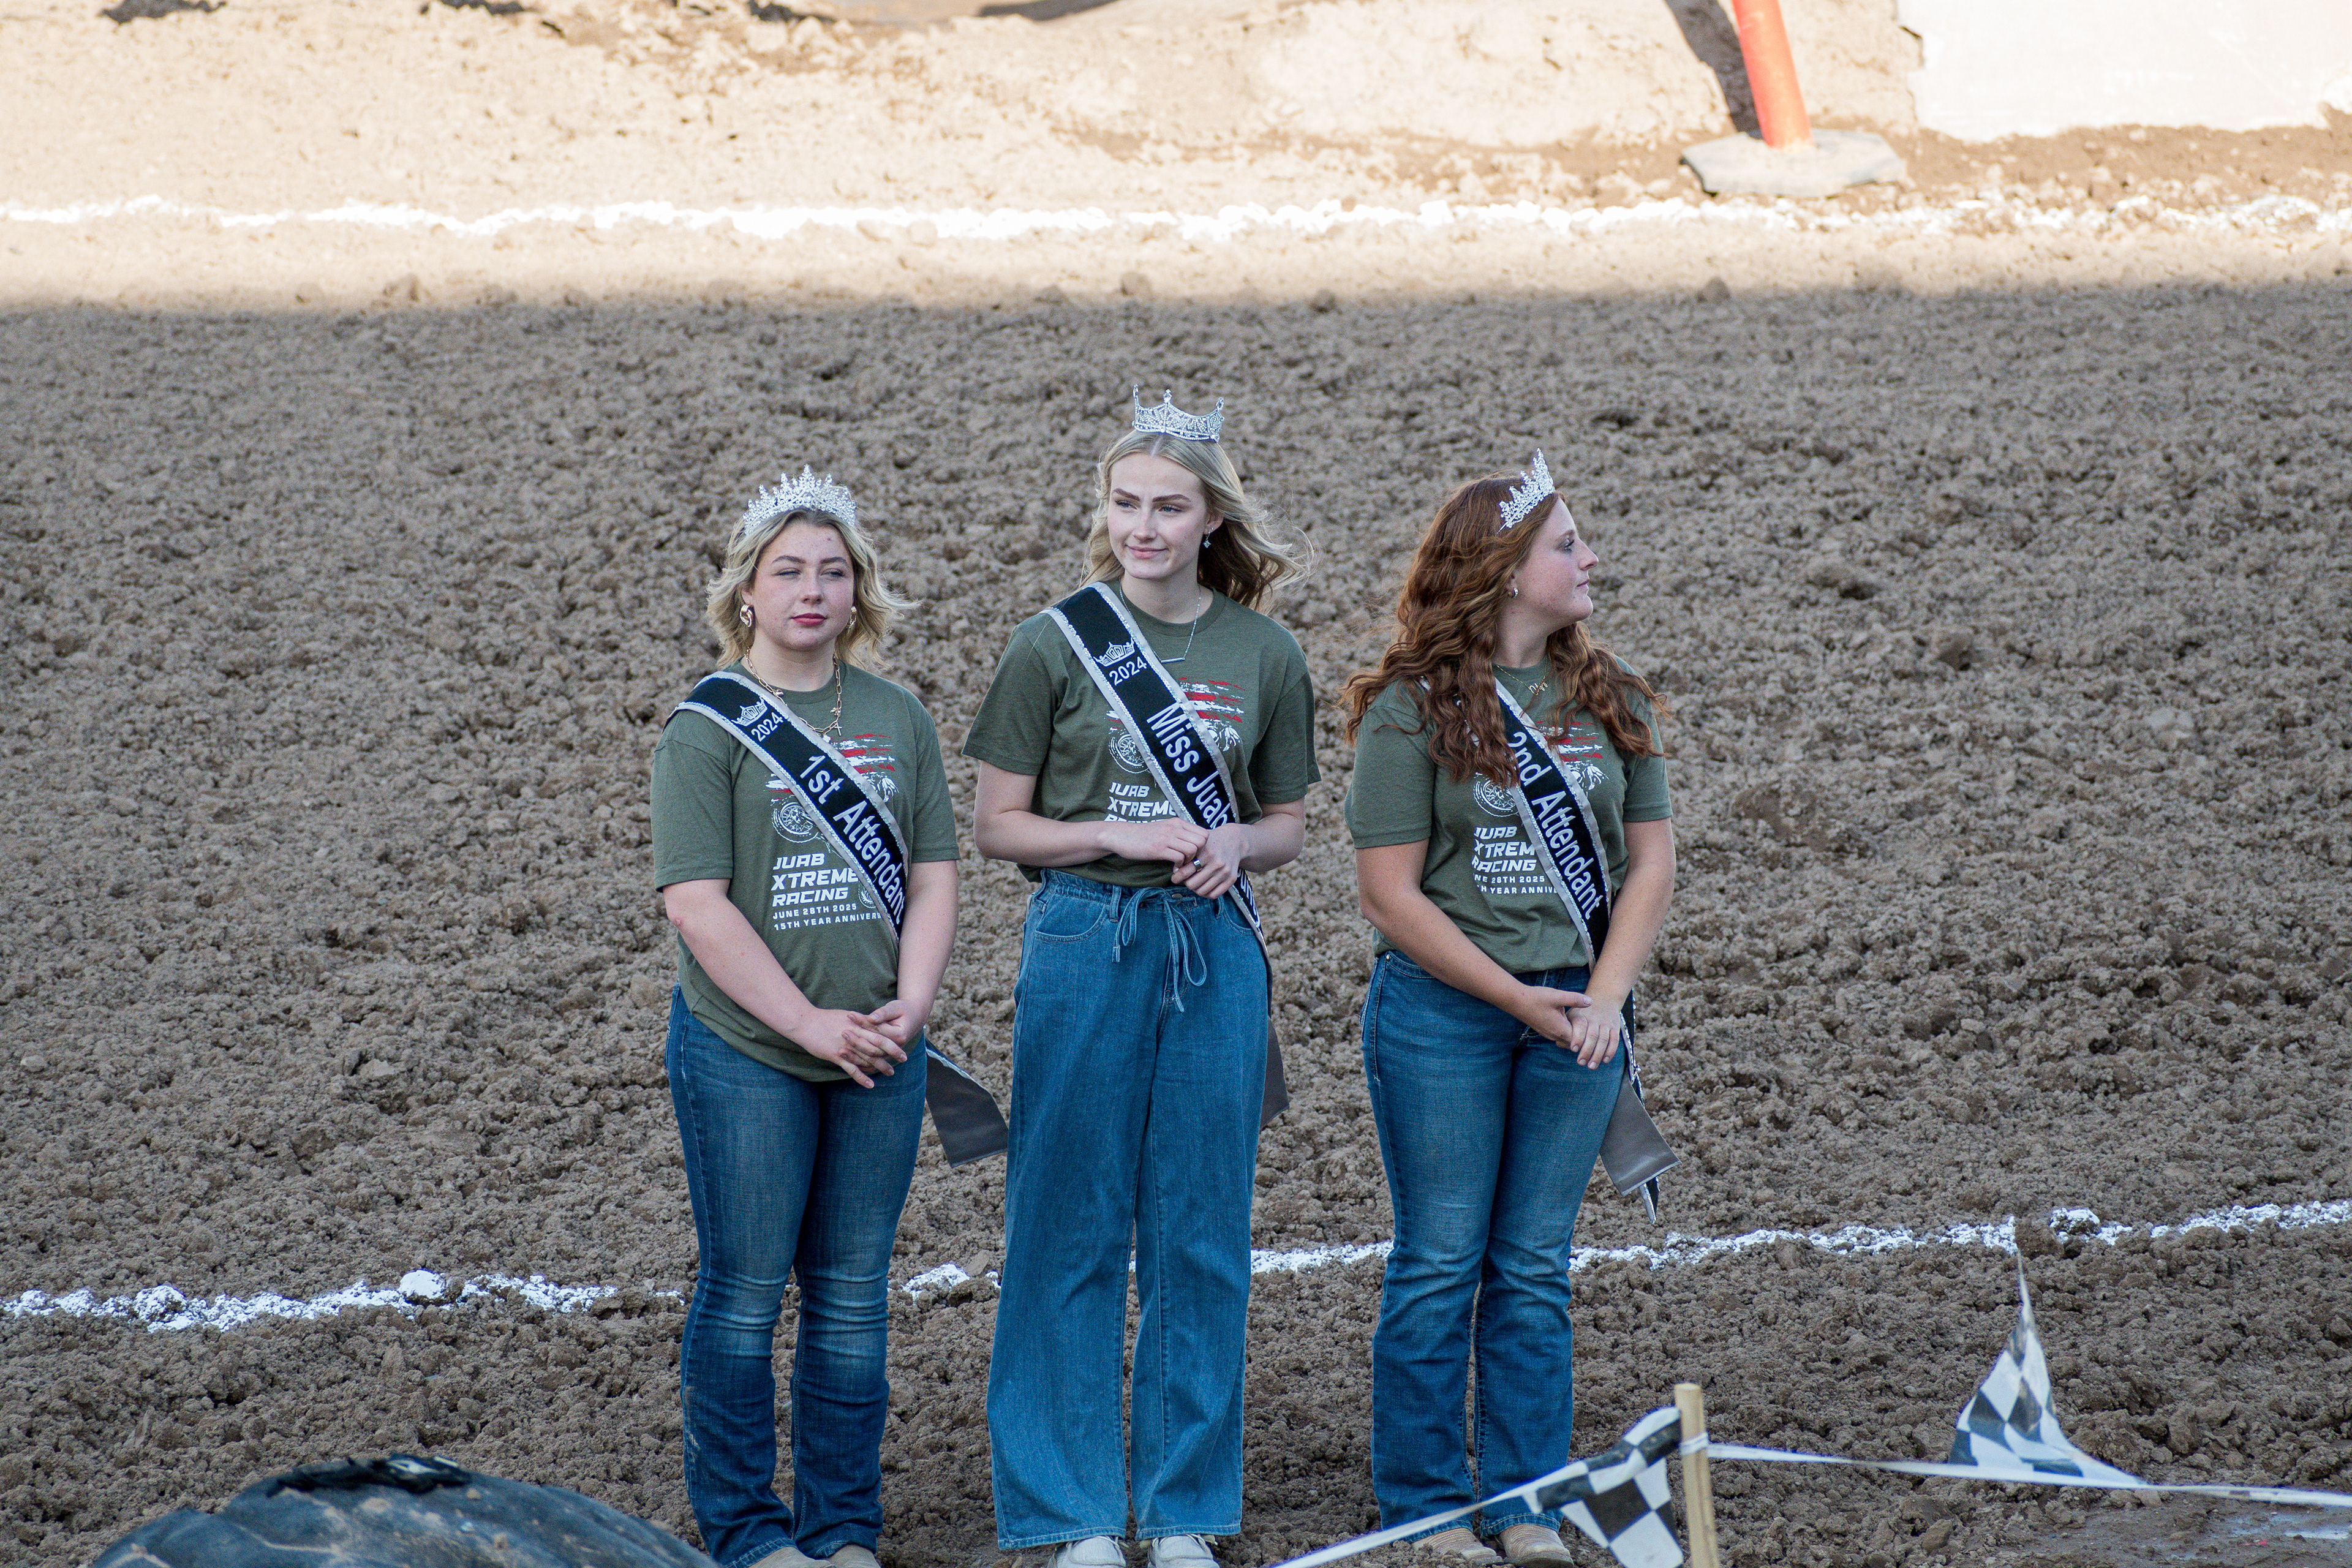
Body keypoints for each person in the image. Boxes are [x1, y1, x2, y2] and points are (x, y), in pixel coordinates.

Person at [966, 393, 1317, 1568]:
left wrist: (1233, 844)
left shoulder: (1265, 654)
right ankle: (1070, 1516)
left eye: (1169, 507)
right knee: (1064, 1220)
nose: (1144, 528)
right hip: (1085, 936)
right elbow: (998, 826)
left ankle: (1181, 1514)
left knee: (1201, 1229)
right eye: (1126, 505)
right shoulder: (1052, 642)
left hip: (1214, 945)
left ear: (1212, 517)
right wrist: (1119, 838)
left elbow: (1287, 824)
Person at [1341, 454, 1675, 1567]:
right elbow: (1389, 891)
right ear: (1504, 571)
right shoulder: (1410, 710)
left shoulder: (1606, 695)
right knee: (1440, 1259)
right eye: (1569, 546)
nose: (1592, 561)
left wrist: (1603, 1001)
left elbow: (1651, 862)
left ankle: (1527, 1504)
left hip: (1578, 1017)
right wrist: (1517, 999)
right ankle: (1430, 1511)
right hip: (1445, 1015)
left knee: (1533, 1265)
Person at [650, 467, 959, 1568]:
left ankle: (841, 1530)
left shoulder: (895, 716)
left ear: (861, 590)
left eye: (834, 571)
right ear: (748, 593)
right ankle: (746, 1532)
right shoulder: (705, 727)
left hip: (881, 1048)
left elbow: (931, 875)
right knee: (741, 1295)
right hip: (748, 1054)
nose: (812, 591)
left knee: (851, 1299)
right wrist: (810, 1025)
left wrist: (907, 1010)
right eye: (789, 572)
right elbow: (697, 904)